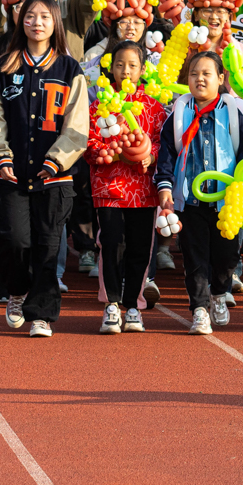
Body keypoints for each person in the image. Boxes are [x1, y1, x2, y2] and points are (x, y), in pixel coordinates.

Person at [0, 0, 90, 337]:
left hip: (54, 179)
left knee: (47, 244)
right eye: (29, 16)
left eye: (44, 16)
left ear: (55, 21)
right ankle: (16, 290)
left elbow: (77, 124)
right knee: (14, 240)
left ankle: (41, 313)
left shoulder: (69, 69)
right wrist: (0, 156)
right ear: (19, 20)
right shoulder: (4, 66)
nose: (36, 22)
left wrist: (57, 161)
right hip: (11, 175)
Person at [153, 50, 243, 333]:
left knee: (227, 258)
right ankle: (199, 309)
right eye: (194, 74)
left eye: (207, 74)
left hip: (227, 203)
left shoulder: (235, 114)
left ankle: (220, 294)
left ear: (221, 78)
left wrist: (242, 184)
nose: (200, 79)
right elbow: (166, 156)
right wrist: (164, 188)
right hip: (190, 202)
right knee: (194, 257)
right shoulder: (177, 115)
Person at [86, 40, 166, 334]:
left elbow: (161, 143)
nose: (126, 71)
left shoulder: (155, 108)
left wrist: (150, 156)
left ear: (143, 69)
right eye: (120, 64)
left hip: (143, 190)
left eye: (132, 65)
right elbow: (90, 144)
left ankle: (133, 305)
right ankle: (111, 305)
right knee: (111, 244)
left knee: (139, 249)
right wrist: (112, 152)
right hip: (108, 187)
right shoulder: (99, 106)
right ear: (110, 67)